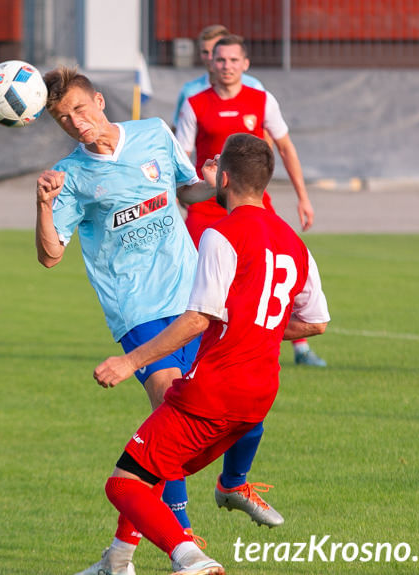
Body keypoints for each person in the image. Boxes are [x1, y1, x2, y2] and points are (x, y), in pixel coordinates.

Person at [93, 133, 330, 575]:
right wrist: (255, 330)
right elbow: (316, 322)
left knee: (123, 486)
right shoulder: (295, 243)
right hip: (257, 401)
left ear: (222, 178)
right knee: (155, 467)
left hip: (213, 392)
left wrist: (130, 361)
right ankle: (118, 561)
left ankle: (190, 558)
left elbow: (199, 318)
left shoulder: (221, 235)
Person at [35, 65, 215, 575]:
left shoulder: (154, 133)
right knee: (170, 410)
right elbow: (51, 256)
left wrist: (221, 187)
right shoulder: (68, 176)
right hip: (136, 307)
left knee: (194, 420)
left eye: (79, 108)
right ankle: (185, 548)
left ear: (99, 100)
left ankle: (120, 555)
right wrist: (45, 207)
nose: (75, 122)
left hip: (192, 294)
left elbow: (188, 191)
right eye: (63, 118)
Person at [176, 33, 327, 371]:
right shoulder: (194, 103)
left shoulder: (261, 100)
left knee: (273, 272)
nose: (227, 66)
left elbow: (286, 148)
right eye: (220, 60)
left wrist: (303, 198)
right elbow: (181, 158)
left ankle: (298, 346)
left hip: (253, 205)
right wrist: (185, 193)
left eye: (233, 60)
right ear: (210, 63)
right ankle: (194, 357)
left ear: (245, 64)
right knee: (198, 286)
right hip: (205, 209)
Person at [172, 25, 265, 132]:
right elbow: (177, 130)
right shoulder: (189, 90)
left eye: (214, 51)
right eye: (205, 52)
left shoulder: (254, 86)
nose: (210, 57)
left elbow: (266, 133)